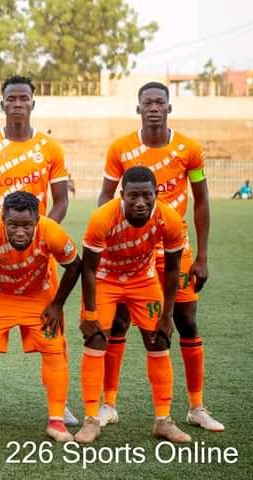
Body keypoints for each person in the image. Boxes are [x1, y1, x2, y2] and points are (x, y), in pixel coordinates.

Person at [97, 82, 223, 432]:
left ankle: (196, 407)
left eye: (160, 102)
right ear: (138, 108)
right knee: (119, 323)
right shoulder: (120, 148)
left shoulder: (190, 149)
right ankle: (108, 404)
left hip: (175, 250)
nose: (154, 107)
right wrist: (109, 243)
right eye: (147, 102)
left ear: (169, 108)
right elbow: (106, 197)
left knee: (186, 321)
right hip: (131, 251)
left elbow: (201, 200)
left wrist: (203, 255)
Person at [0, 74, 76, 426]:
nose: (17, 103)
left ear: (32, 103)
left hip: (39, 258)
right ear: (2, 103)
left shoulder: (50, 148)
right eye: (11, 98)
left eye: (23, 98)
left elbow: (60, 200)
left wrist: (40, 236)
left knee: (53, 335)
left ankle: (60, 406)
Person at [76, 166, 190, 444]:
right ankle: (91, 420)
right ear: (122, 195)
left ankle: (163, 421)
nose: (140, 202)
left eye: (146, 195)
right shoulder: (102, 217)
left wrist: (167, 315)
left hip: (143, 280)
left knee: (159, 340)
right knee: (96, 339)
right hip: (105, 279)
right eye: (133, 196)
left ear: (156, 194)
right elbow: (88, 269)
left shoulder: (169, 219)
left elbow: (172, 269)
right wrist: (89, 313)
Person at [0, 191, 81, 442]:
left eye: (27, 225)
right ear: (3, 219)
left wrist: (57, 305)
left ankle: (57, 421)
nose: (20, 232)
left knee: (53, 350)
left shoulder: (52, 231)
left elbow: (74, 265)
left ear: (37, 220)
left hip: (37, 294)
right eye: (13, 225)